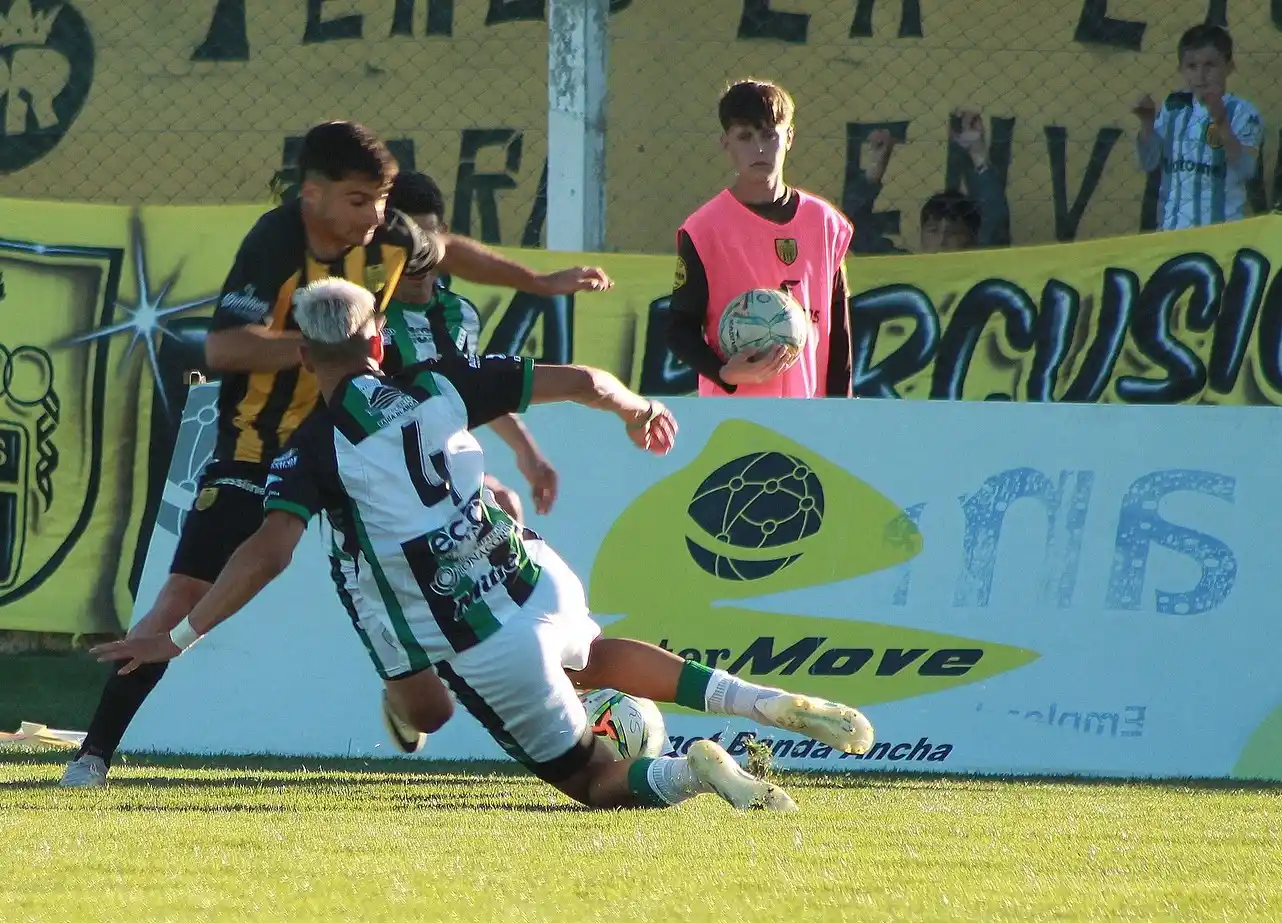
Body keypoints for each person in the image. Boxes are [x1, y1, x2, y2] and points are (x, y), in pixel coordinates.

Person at [90, 279, 878, 810]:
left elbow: (268, 550)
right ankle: (755, 699)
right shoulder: (436, 384)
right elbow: (582, 381)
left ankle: (693, 769)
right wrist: (636, 410)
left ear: (304, 355)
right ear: (377, 345)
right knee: (595, 653)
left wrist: (182, 634)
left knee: (592, 781)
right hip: (533, 573)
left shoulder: (310, 448)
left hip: (476, 635)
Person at [61, 120, 613, 788]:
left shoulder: (383, 234)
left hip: (367, 435)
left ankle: (493, 679)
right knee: (182, 589)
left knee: (488, 505)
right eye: (360, 202)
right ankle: (93, 752)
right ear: (312, 197)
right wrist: (325, 347)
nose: (377, 218)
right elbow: (226, 349)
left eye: (380, 204)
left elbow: (446, 251)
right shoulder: (275, 243)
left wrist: (542, 282)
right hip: (262, 445)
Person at [382, 170, 557, 526]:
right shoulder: (366, 313)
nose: (418, 255)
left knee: (505, 506)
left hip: (438, 470)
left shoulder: (458, 314)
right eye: (405, 241)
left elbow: (471, 387)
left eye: (426, 238)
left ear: (443, 236)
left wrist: (528, 453)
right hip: (379, 474)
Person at [666, 79, 854, 398]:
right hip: (735, 413)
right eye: (745, 137)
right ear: (725, 142)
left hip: (809, 409)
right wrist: (723, 372)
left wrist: (841, 407)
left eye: (769, 134)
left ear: (789, 137)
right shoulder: (705, 228)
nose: (760, 149)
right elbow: (679, 328)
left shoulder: (825, 223)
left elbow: (839, 330)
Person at [1133, 24, 1264, 231]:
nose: (1200, 75)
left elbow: (1246, 170)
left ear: (1229, 66)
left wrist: (1221, 123)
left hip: (1221, 231)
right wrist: (1147, 122)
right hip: (1171, 230)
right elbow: (1149, 163)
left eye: (1210, 65)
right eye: (1191, 66)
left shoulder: (1243, 112)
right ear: (1181, 69)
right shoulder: (1174, 106)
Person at [849, 111, 1012, 254]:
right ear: (921, 235)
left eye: (953, 233)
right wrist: (874, 171)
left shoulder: (981, 268)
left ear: (972, 238)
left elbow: (996, 222)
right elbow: (852, 232)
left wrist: (979, 155)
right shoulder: (907, 269)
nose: (942, 240)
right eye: (933, 231)